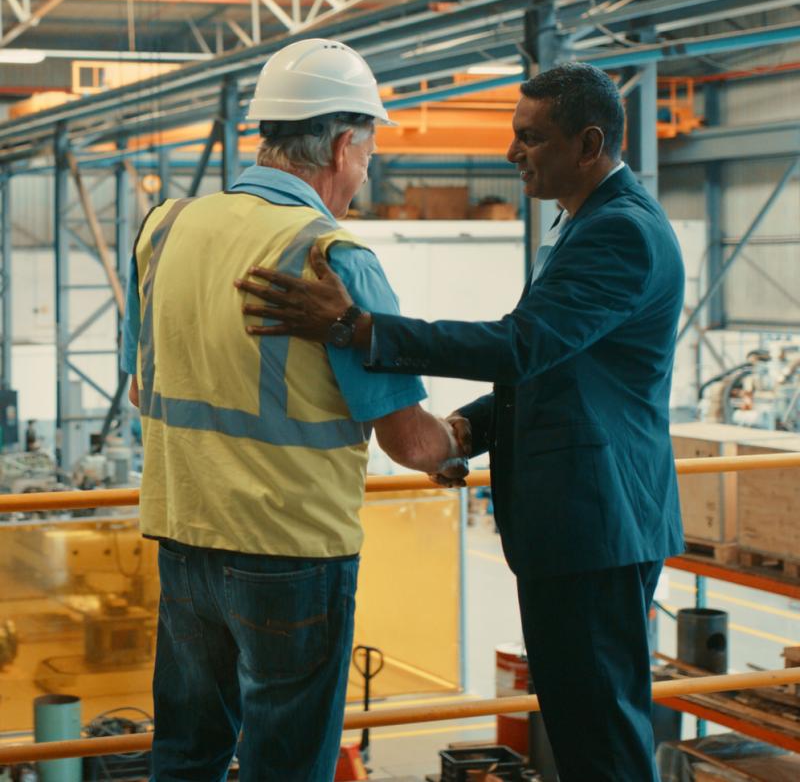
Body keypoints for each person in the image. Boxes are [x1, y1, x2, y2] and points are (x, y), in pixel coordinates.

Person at [234, 62, 686, 782]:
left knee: (601, 734)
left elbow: (521, 344)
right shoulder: (588, 222)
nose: (512, 155)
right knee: (582, 722)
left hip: (597, 525)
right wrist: (469, 431)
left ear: (590, 143)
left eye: (530, 139)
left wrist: (360, 327)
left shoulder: (621, 234)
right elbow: (557, 372)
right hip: (579, 525)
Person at [121, 38, 468, 782]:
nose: (366, 170)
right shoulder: (333, 257)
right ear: (343, 145)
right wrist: (462, 447)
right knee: (287, 765)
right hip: (292, 555)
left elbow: (141, 390)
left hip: (184, 537)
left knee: (185, 754)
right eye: (368, 153)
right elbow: (410, 442)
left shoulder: (166, 229)